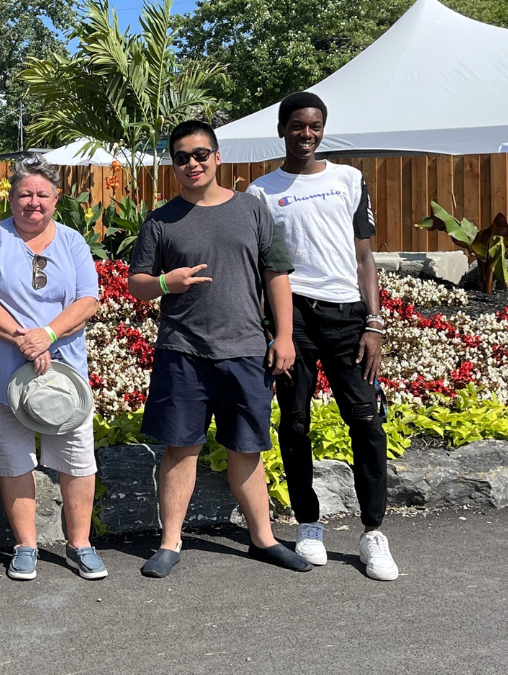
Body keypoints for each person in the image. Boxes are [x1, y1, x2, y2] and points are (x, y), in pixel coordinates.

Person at [127, 120, 309, 578]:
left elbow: (276, 276)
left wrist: (284, 336)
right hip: (182, 351)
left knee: (247, 450)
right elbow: (137, 284)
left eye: (200, 154)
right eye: (182, 157)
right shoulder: (160, 221)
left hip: (245, 350)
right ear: (173, 165)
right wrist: (166, 282)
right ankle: (170, 543)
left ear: (217, 157)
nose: (192, 163)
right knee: (180, 448)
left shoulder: (251, 210)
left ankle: (263, 539)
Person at [246, 92, 398, 581]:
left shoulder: (348, 179)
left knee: (367, 422)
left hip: (347, 316)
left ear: (322, 129)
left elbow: (364, 258)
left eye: (314, 126)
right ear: (281, 130)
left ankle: (373, 531)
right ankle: (308, 524)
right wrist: (274, 331)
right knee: (294, 423)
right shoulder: (261, 191)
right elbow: (262, 270)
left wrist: (374, 322)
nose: (305, 134)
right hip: (293, 317)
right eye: (296, 126)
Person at [0, 156, 106, 581]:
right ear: (11, 197)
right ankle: (25, 545)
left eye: (42, 194)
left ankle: (80, 544)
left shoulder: (73, 242)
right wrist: (24, 340)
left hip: (63, 375)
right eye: (25, 193)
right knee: (13, 461)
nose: (33, 202)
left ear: (56, 199)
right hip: (2, 373)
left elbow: (88, 300)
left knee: (77, 459)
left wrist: (46, 335)